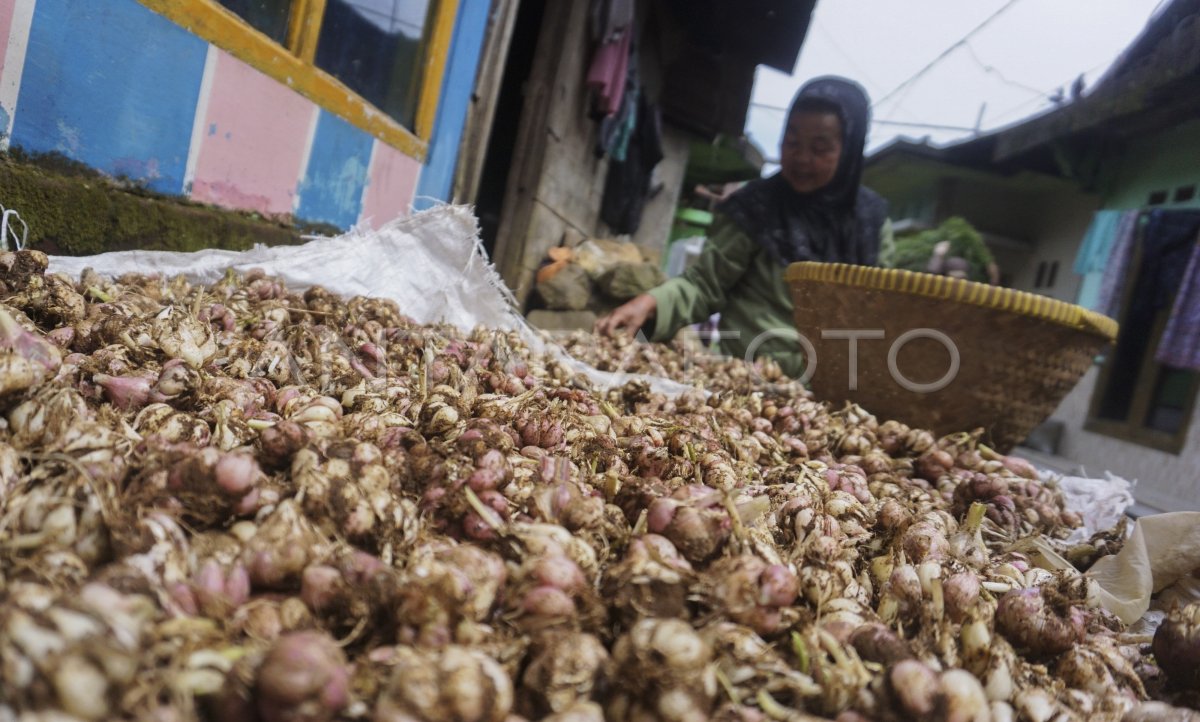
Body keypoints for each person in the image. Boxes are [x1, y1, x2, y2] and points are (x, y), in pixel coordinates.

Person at [594, 76, 892, 378]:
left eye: (820, 148)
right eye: (792, 142)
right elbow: (704, 284)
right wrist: (650, 302)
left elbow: (882, 310)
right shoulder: (755, 208)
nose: (802, 157)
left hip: (832, 386)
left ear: (850, 151)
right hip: (744, 377)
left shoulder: (870, 224)